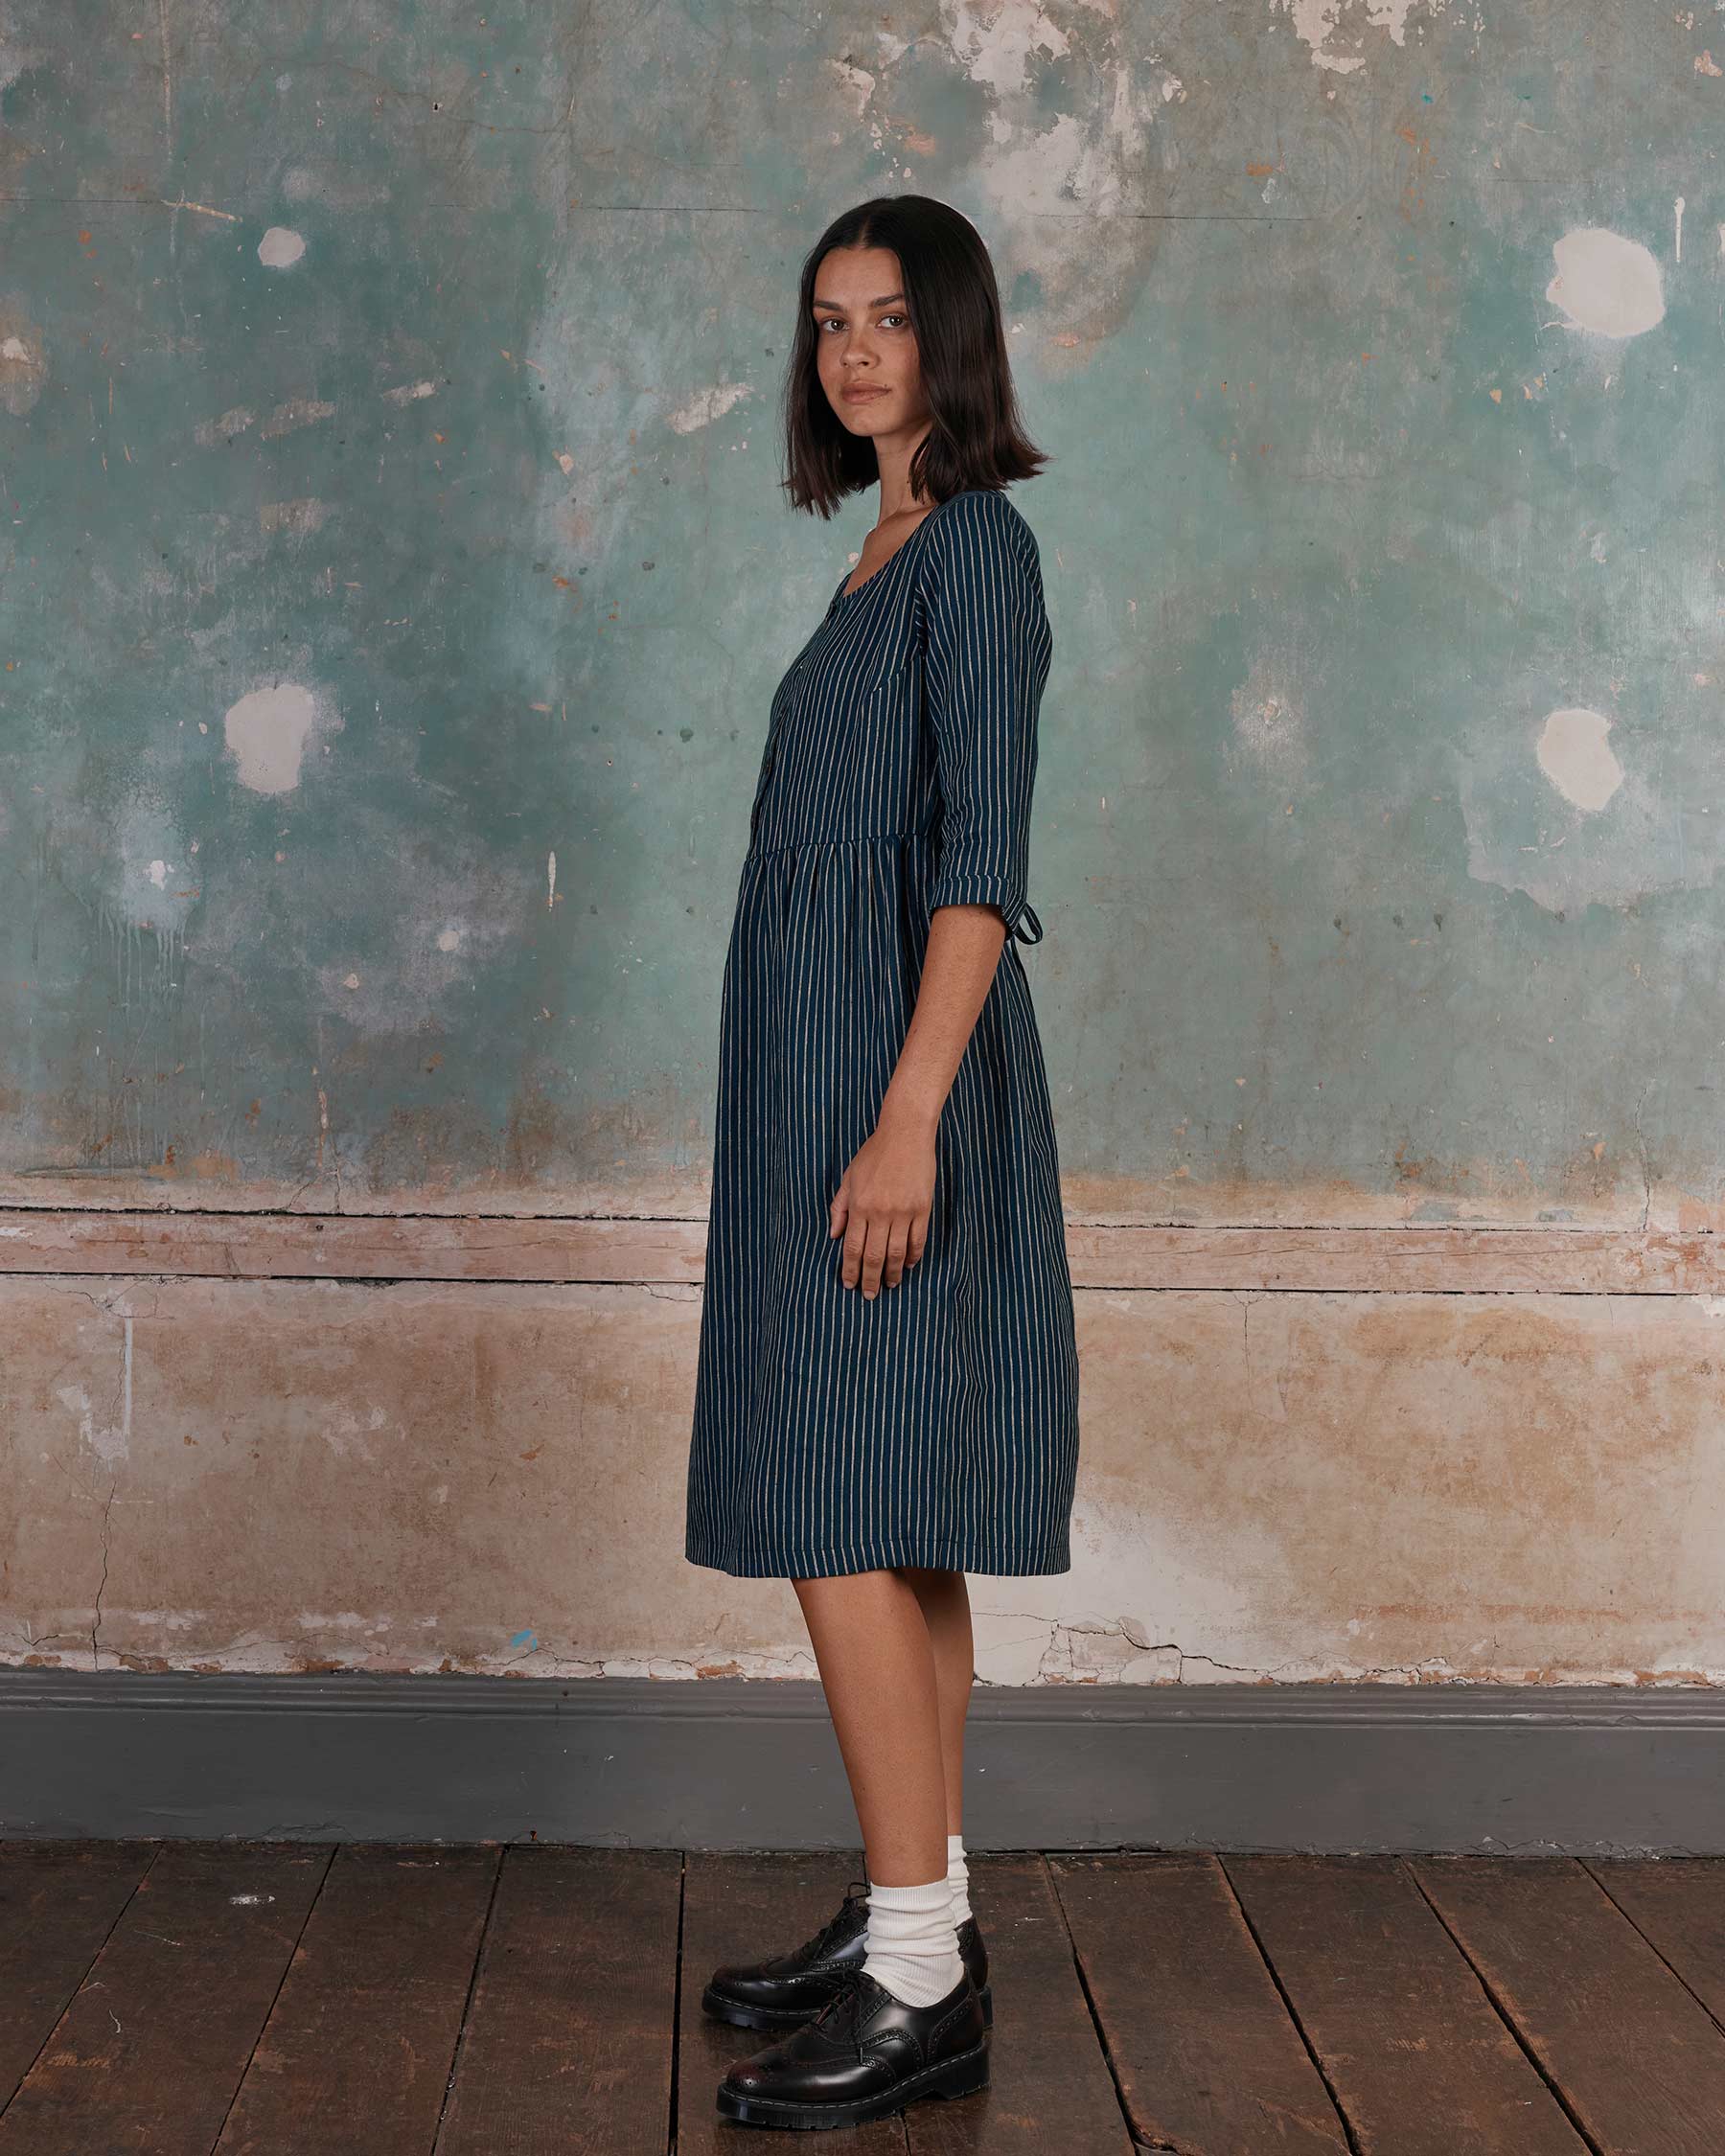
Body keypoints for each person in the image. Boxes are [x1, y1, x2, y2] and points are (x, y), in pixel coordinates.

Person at [682, 193, 1081, 2131]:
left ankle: (923, 1978)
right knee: (889, 1507)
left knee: (842, 1500)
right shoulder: (886, 549)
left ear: (955, 344)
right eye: (828, 321)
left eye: (889, 321)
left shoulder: (976, 557)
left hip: (885, 1091)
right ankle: (914, 1915)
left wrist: (909, 1113)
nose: (852, 353)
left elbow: (980, 866)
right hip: (826, 1077)